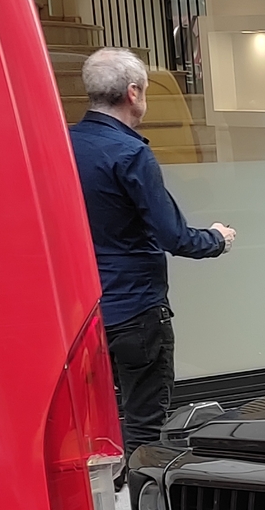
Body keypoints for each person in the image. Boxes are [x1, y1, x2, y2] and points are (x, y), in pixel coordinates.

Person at [68, 47, 233, 450]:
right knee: (145, 426)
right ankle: (144, 508)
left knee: (92, 423)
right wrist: (218, 239)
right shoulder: (131, 153)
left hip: (80, 311)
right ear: (133, 93)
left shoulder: (61, 144)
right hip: (136, 310)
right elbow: (173, 236)